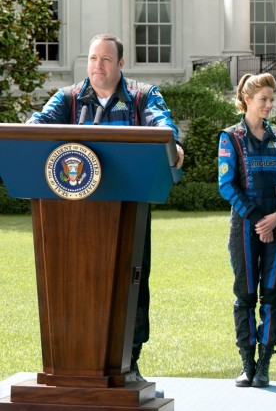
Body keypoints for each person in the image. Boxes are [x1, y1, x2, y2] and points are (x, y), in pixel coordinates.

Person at [27, 33, 184, 385]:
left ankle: (130, 360)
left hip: (129, 210)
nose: (98, 65)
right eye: (93, 58)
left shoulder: (143, 96)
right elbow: (37, 126)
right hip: (72, 217)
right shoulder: (68, 98)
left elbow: (163, 125)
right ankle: (70, 363)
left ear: (121, 64)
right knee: (74, 282)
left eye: (106, 59)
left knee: (132, 284)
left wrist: (171, 142)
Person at [218, 73, 276, 388]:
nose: (269, 105)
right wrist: (257, 219)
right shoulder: (230, 138)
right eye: (263, 99)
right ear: (247, 99)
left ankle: (264, 364)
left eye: (271, 99)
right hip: (244, 226)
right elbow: (227, 185)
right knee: (245, 294)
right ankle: (247, 363)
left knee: (273, 295)